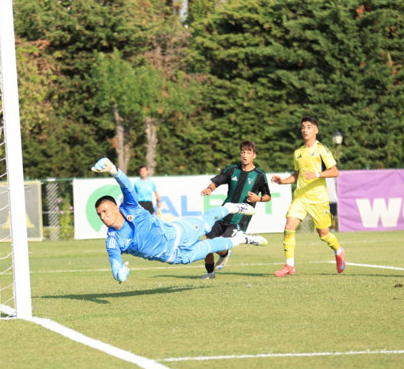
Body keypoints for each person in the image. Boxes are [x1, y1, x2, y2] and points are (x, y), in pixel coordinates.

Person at [91, 157, 267, 283]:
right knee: (211, 246)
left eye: (105, 211)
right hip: (174, 256)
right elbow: (114, 261)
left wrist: (113, 170)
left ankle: (233, 207)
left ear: (115, 207)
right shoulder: (113, 240)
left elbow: (126, 186)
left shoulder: (130, 208)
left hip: (178, 231)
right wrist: (118, 273)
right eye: (99, 214)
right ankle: (242, 239)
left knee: (207, 223)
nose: (103, 217)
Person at [271, 116, 345, 277]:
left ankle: (339, 251)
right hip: (301, 198)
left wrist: (317, 174)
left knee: (324, 234)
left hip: (318, 199)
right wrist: (283, 181)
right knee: (288, 227)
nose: (305, 129)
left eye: (309, 127)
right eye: (303, 127)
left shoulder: (322, 150)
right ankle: (289, 265)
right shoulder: (298, 152)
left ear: (316, 130)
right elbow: (296, 176)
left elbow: (335, 171)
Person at [199, 140, 271, 278]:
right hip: (223, 214)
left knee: (219, 244)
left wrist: (258, 199)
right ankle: (210, 273)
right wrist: (209, 189)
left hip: (239, 219)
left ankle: (226, 252)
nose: (245, 155)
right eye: (243, 152)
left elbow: (268, 196)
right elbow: (217, 181)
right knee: (207, 243)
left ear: (254, 155)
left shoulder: (259, 175)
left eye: (248, 152)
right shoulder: (232, 170)